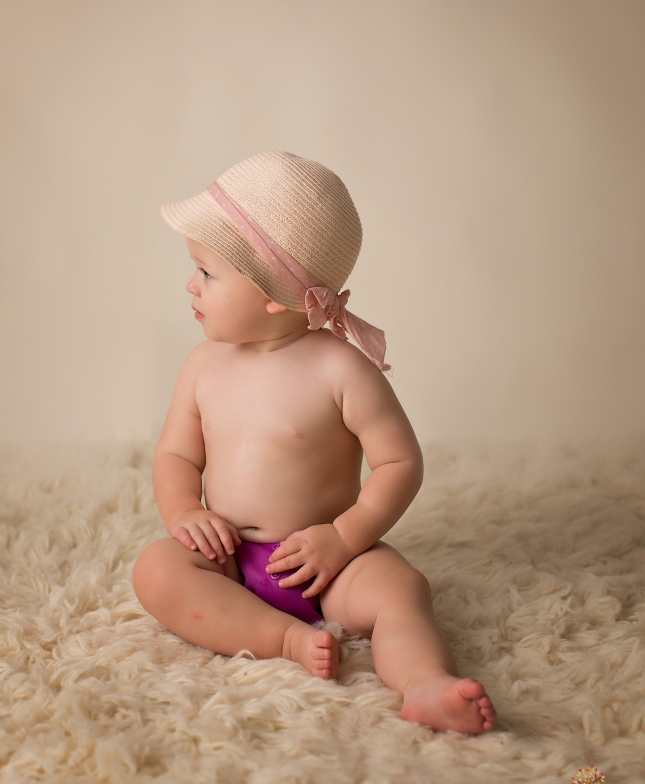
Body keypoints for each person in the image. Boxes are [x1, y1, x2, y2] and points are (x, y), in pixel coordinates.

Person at [132, 152, 496, 733]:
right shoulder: (203, 365)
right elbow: (176, 454)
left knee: (401, 589)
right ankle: (283, 639)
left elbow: (399, 462)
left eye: (207, 272)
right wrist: (186, 511)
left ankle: (425, 682)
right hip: (229, 559)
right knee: (155, 569)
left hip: (329, 565)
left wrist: (344, 538)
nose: (190, 284)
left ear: (273, 294)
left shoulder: (341, 370)